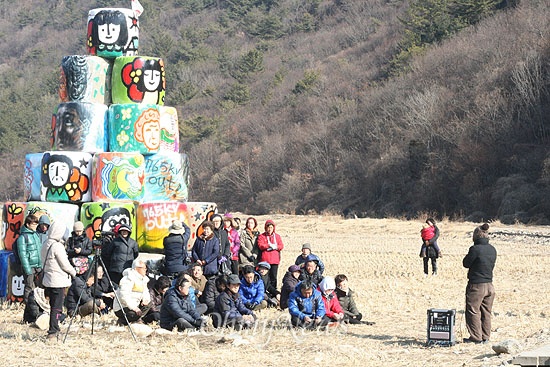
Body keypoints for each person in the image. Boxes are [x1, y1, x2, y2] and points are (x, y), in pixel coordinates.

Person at [41, 221, 77, 340]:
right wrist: (73, 272)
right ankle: (53, 331)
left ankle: (54, 329)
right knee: (57, 307)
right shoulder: (57, 246)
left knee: (53, 306)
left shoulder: (46, 243)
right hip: (58, 281)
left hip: (48, 279)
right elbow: (65, 264)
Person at [462, 223, 497, 344]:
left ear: (475, 236)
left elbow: (466, 263)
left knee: (473, 310)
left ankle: (476, 337)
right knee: (486, 312)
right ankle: (486, 336)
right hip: (490, 285)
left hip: (476, 285)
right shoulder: (492, 249)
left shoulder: (475, 249)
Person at [113, 259, 151, 325]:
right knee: (133, 314)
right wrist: (134, 308)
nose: (145, 270)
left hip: (136, 305)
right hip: (123, 307)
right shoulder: (127, 279)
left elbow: (146, 292)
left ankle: (137, 319)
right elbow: (124, 296)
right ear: (136, 269)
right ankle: (123, 321)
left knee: (149, 304)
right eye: (144, 268)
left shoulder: (144, 279)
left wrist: (146, 300)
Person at [15, 214, 42, 304]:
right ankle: (28, 306)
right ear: (27, 224)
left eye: (36, 224)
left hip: (37, 265)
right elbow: (22, 255)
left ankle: (36, 305)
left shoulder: (35, 235)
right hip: (29, 266)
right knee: (29, 287)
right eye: (33, 224)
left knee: (37, 287)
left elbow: (39, 250)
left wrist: (40, 264)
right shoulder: (22, 238)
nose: (35, 226)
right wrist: (27, 269)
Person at [256, 219, 284, 290]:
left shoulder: (277, 236)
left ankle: (274, 291)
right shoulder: (262, 236)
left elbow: (281, 246)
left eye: (271, 227)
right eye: (268, 227)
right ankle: (264, 289)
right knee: (265, 276)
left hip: (274, 260)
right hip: (265, 260)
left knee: (273, 277)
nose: (269, 229)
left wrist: (276, 246)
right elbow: (260, 245)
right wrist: (268, 245)